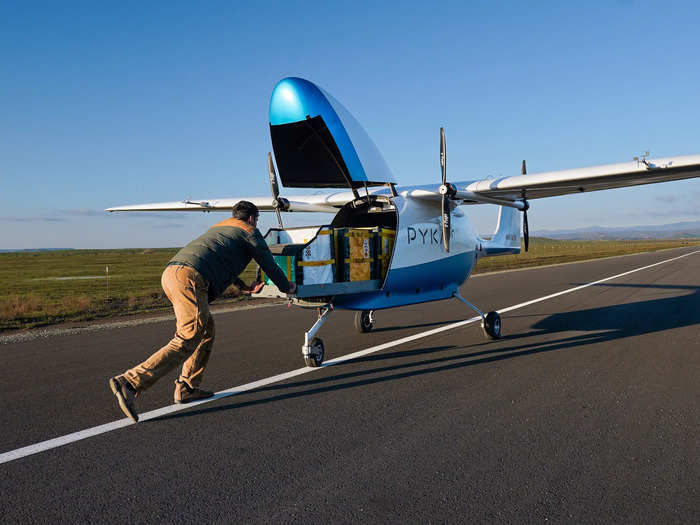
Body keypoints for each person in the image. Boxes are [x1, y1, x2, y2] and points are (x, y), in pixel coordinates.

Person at [109, 200, 295, 422]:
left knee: (206, 331)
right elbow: (269, 264)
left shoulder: (221, 228)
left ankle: (187, 387)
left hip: (172, 273)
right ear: (253, 218)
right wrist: (288, 287)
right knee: (188, 337)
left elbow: (218, 263)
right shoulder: (249, 232)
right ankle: (129, 383)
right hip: (190, 277)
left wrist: (245, 287)